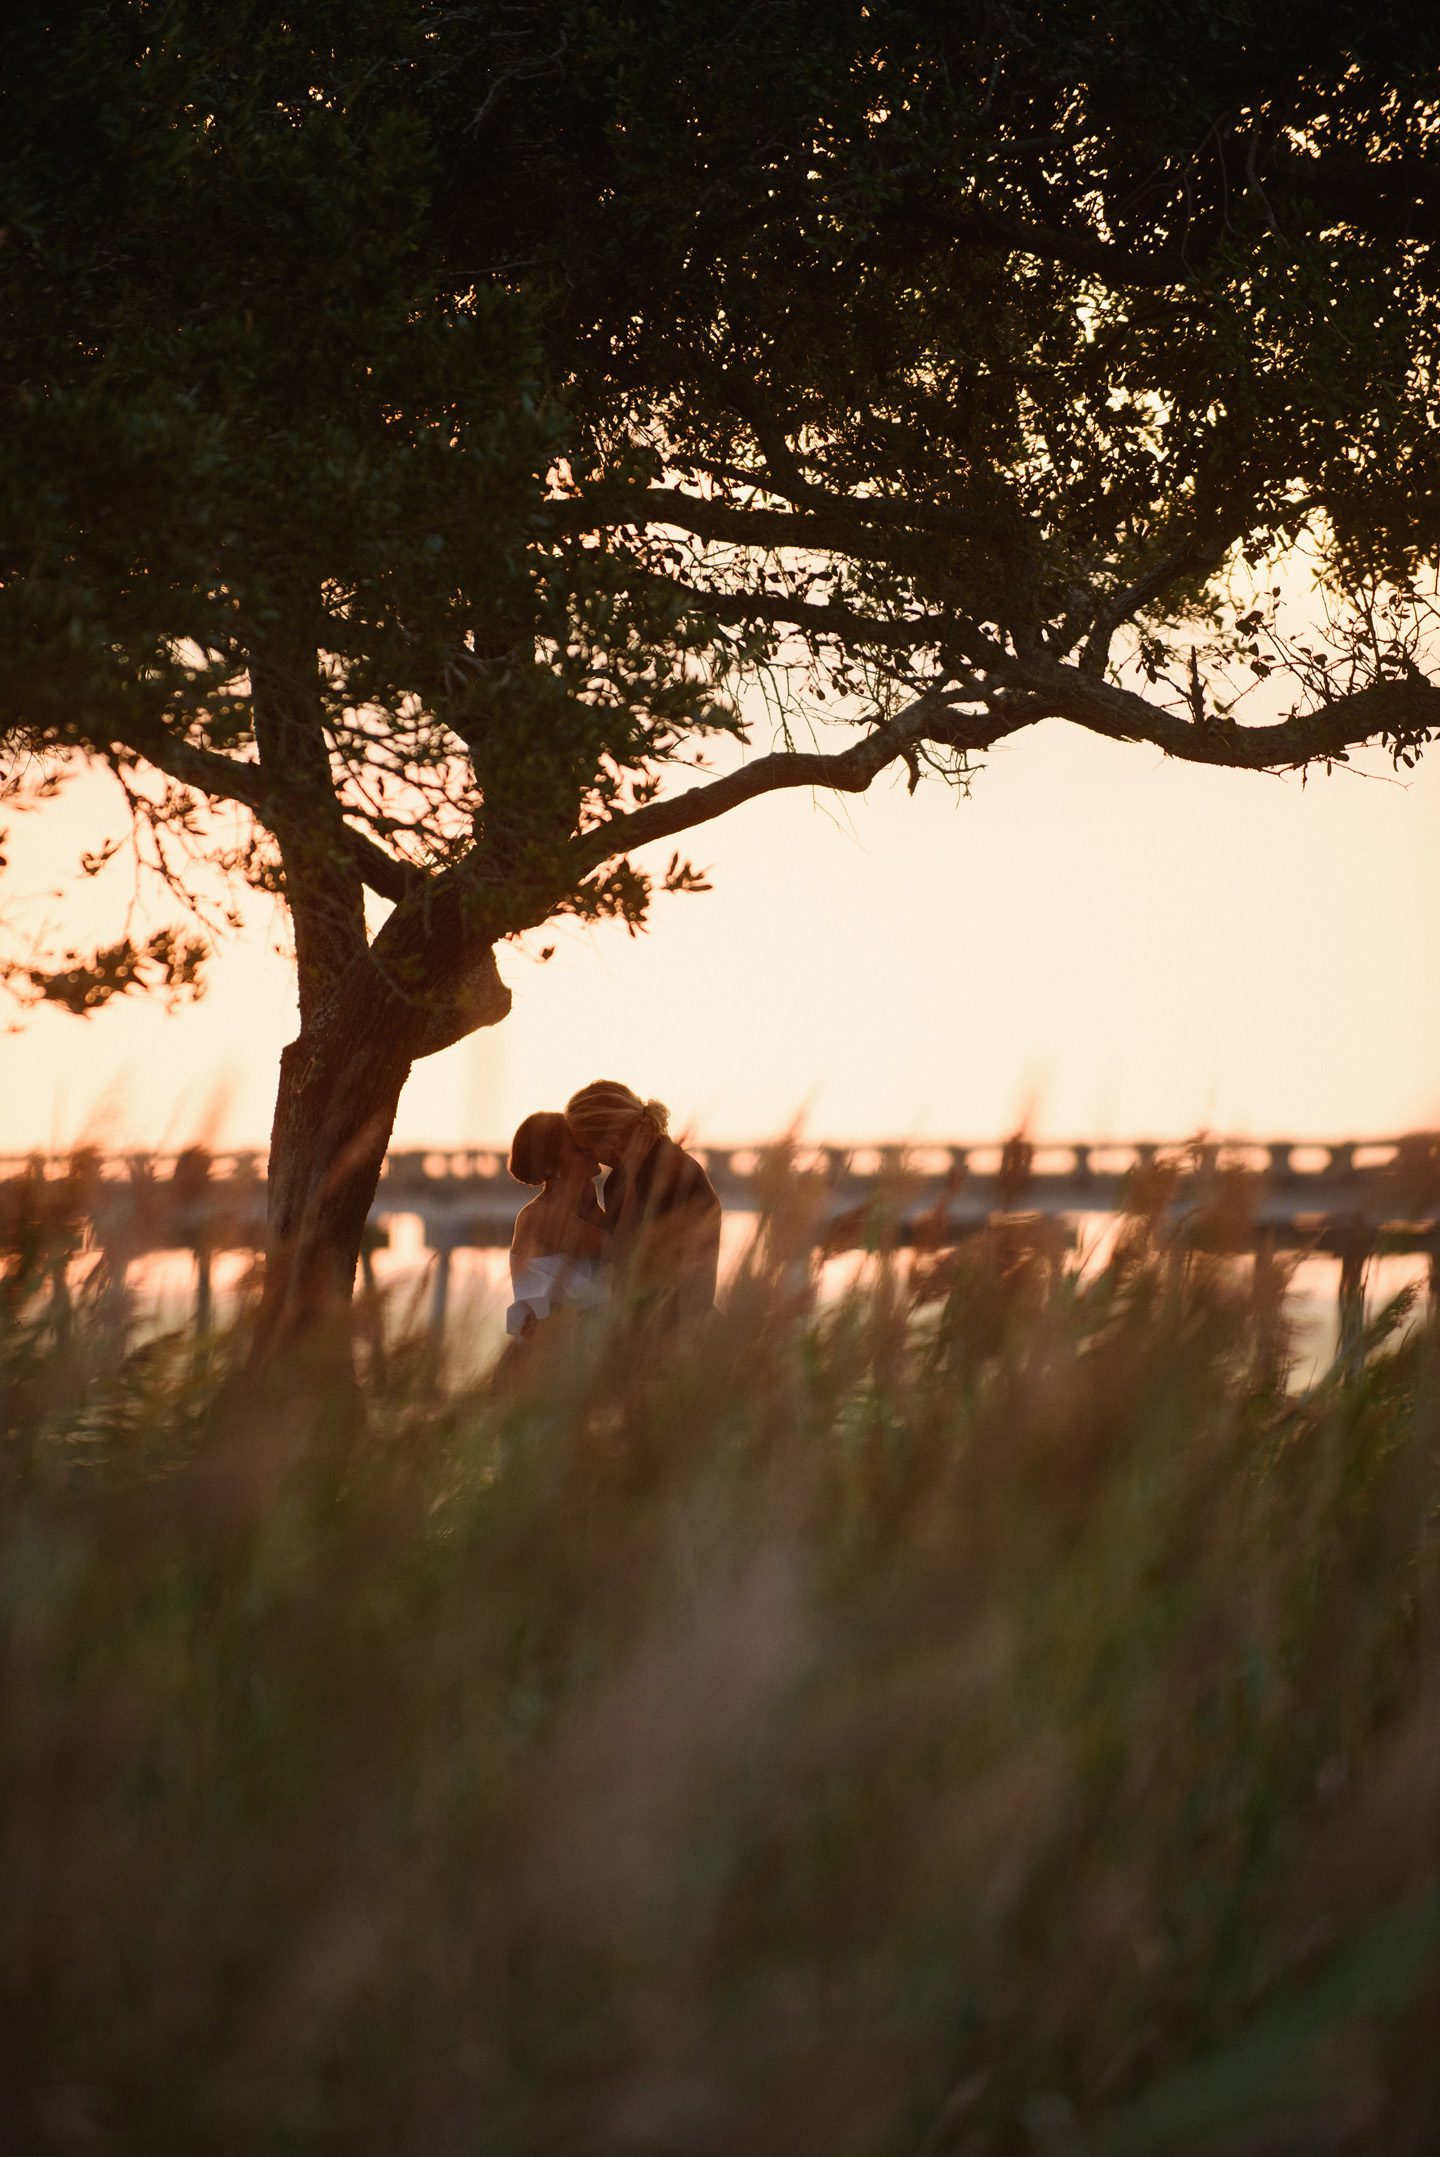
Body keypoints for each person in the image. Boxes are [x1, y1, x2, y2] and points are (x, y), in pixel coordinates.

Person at [563, 1080, 721, 1342]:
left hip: (674, 1326)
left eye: (588, 1148)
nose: (593, 1159)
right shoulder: (621, 1179)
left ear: (610, 1140)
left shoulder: (675, 1172)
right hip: (647, 1321)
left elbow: (629, 1251)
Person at [500, 1111, 606, 1356]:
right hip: (551, 1359)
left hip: (575, 1351)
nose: (590, 1149)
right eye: (577, 1148)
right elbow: (623, 1248)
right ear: (550, 1165)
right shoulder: (540, 1216)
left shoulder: (583, 1206)